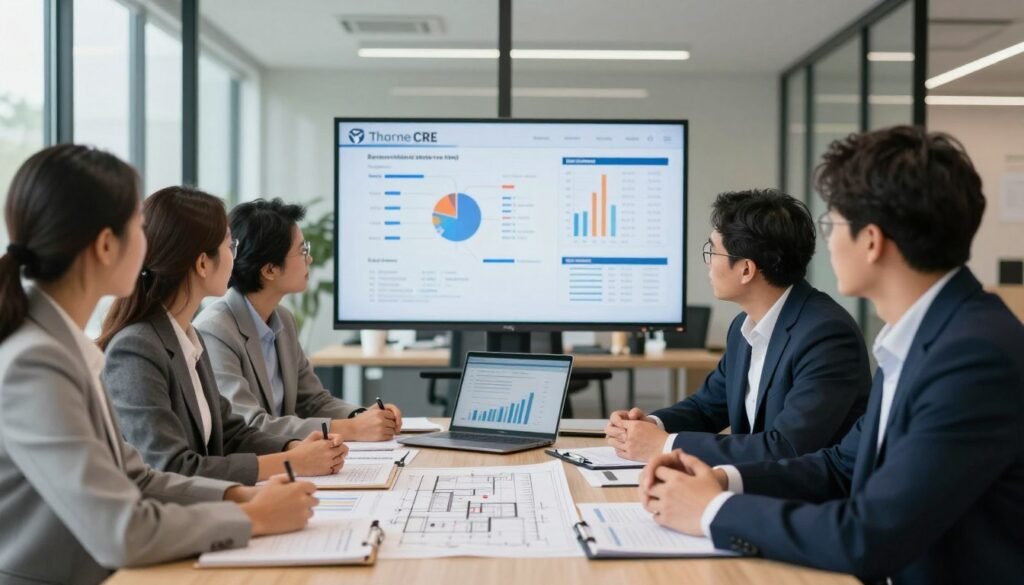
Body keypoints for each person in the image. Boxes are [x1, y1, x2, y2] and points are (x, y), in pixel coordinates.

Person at [640, 126, 1024, 585]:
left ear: (872, 241)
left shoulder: (972, 357)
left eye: (832, 224)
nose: (825, 243)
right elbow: (841, 467)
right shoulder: (926, 336)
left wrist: (713, 511)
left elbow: (869, 535)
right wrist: (722, 481)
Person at [0, 145, 317, 585]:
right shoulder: (34, 363)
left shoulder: (63, 347)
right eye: (139, 227)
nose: (149, 245)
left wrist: (240, 497)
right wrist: (254, 519)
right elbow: (121, 531)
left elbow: (137, 477)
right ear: (107, 245)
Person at [99, 186, 347, 485]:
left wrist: (294, 447)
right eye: (230, 246)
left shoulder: (187, 337)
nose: (235, 257)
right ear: (203, 263)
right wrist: (290, 462)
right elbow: (172, 468)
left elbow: (231, 433)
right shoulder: (136, 349)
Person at [606, 189, 870, 465]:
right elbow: (707, 407)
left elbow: (788, 448)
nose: (708, 264)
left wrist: (665, 445)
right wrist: (650, 425)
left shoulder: (826, 335)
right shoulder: (744, 327)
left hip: (807, 501)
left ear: (746, 269)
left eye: (713, 251)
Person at [196, 198, 402, 440]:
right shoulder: (215, 331)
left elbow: (313, 401)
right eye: (303, 251)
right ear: (269, 270)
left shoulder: (282, 319)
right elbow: (248, 424)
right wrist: (351, 429)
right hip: (255, 468)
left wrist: (363, 416)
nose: (310, 259)